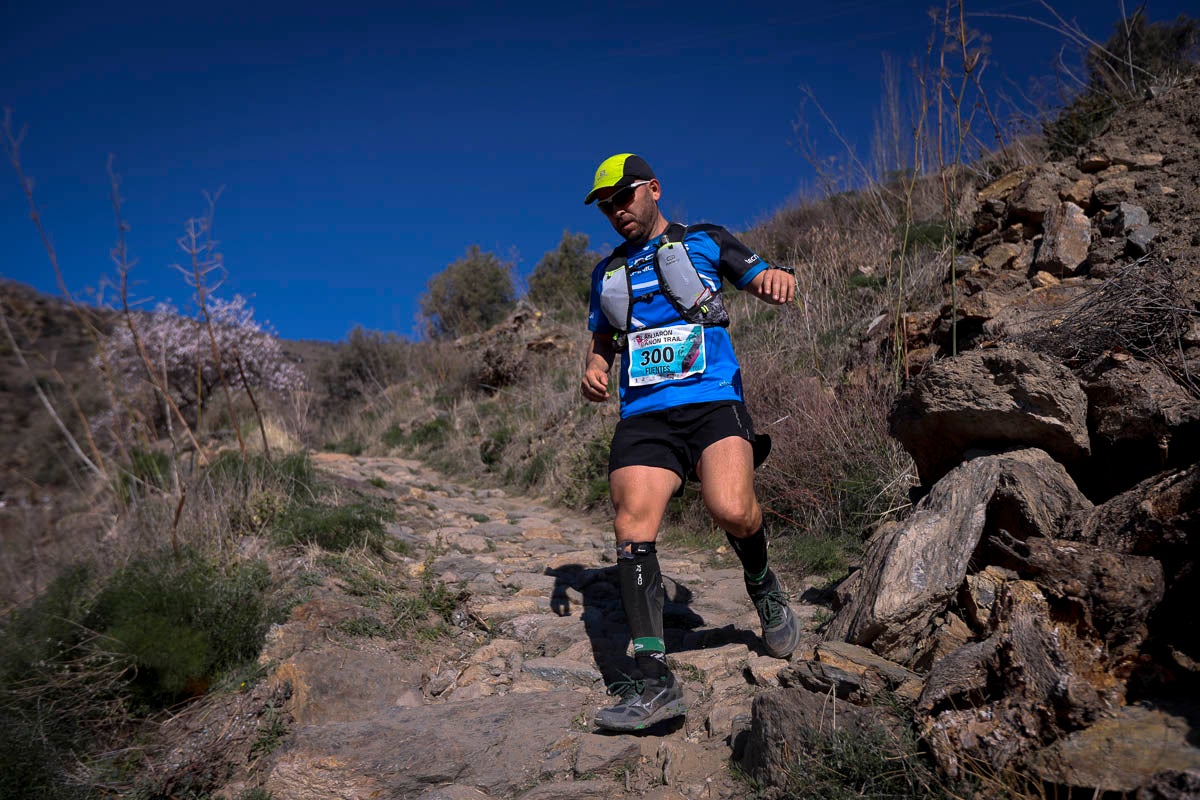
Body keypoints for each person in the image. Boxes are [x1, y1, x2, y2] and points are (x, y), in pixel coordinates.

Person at [580, 153, 802, 732]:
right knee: (632, 527)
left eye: (624, 197)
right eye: (607, 205)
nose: (616, 211)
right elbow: (603, 338)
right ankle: (654, 683)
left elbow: (762, 274)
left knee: (730, 508)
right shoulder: (607, 272)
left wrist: (777, 280)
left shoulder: (704, 239)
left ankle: (763, 584)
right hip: (645, 415)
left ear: (653, 189)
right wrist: (595, 369)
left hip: (711, 400)